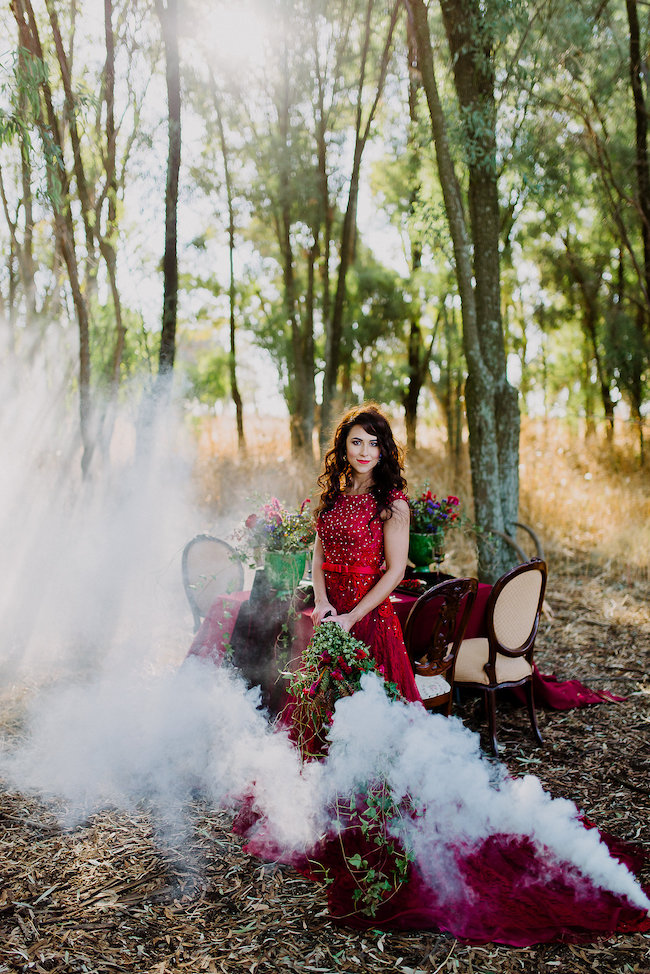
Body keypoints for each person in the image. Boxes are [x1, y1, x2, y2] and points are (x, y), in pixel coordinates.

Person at [310, 403, 421, 703]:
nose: (365, 451)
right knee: (326, 701)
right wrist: (321, 603)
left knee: (370, 703)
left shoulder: (392, 503)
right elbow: (319, 557)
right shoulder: (333, 496)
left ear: (383, 450)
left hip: (369, 614)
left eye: (374, 444)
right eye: (357, 441)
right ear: (344, 446)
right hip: (331, 614)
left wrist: (353, 617)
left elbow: (397, 571)